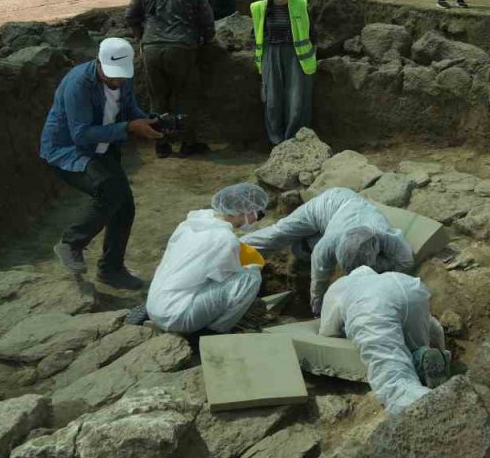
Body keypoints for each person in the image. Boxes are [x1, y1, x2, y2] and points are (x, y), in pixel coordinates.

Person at [39, 37, 162, 290]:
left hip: (103, 149)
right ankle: (71, 244)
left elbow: (130, 110)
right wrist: (128, 127)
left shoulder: (123, 82)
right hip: (69, 150)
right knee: (110, 189)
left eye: (122, 76)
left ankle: (110, 269)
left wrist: (150, 122)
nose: (118, 81)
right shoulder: (78, 84)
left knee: (124, 206)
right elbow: (81, 134)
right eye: (113, 75)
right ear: (99, 62)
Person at [242, 187, 414, 314]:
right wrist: (318, 308)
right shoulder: (328, 244)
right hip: (327, 204)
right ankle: (235, 247)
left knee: (302, 247)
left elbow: (406, 262)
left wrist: (380, 270)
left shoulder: (386, 235)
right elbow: (319, 278)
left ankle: (303, 244)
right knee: (278, 234)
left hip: (349, 213)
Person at [319, 265, 450, 414]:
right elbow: (435, 327)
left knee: (393, 379)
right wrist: (441, 349)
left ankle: (439, 408)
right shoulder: (382, 278)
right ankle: (422, 356)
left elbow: (327, 331)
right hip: (410, 288)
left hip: (371, 306)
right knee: (411, 346)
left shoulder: (338, 287)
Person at [124, 0, 215, 159]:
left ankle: (161, 145)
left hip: (151, 49)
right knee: (185, 97)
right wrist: (205, 40)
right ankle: (186, 143)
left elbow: (130, 15)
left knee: (158, 98)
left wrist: (140, 36)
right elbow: (207, 23)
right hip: (181, 48)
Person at [145, 183, 270, 334]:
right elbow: (226, 276)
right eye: (258, 214)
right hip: (177, 317)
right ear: (242, 210)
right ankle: (212, 333)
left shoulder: (195, 221)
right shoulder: (225, 239)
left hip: (155, 305)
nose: (257, 220)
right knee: (250, 277)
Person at [251, 0, 316, 144]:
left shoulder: (301, 4)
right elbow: (255, 34)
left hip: (297, 56)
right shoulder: (258, 8)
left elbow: (312, 33)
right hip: (270, 55)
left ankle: (294, 139)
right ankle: (277, 141)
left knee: (296, 100)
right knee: (272, 101)